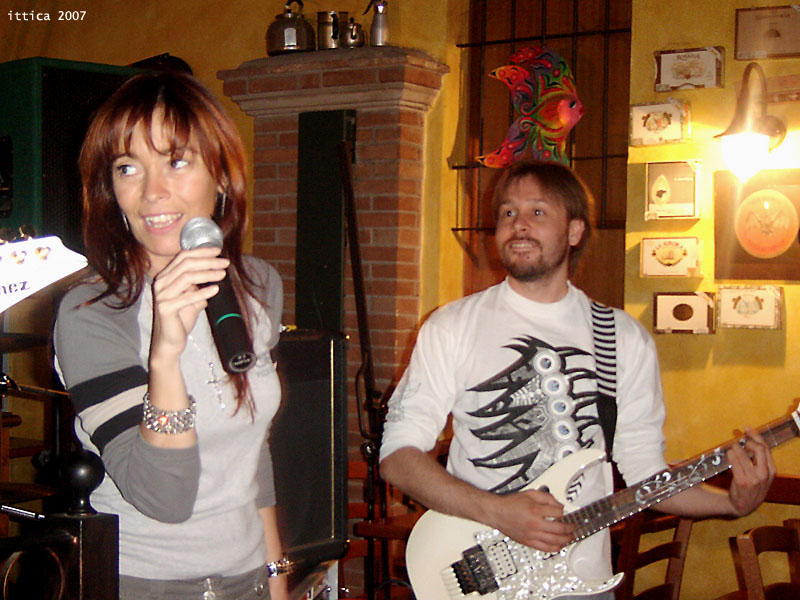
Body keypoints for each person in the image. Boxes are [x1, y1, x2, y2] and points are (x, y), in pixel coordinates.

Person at [379, 160, 775, 599]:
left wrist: (731, 503)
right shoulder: (450, 326)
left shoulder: (622, 338)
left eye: (538, 211)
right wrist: (498, 512)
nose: (519, 225)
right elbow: (397, 456)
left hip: (581, 585)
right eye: (508, 212)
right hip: (476, 573)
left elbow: (644, 473)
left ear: (574, 232)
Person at [54, 72, 288, 600]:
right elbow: (164, 497)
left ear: (221, 176)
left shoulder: (256, 285)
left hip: (249, 577)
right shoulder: (92, 314)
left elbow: (254, 452)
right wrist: (165, 356)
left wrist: (276, 578)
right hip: (143, 584)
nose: (152, 192)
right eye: (128, 168)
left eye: (176, 161)